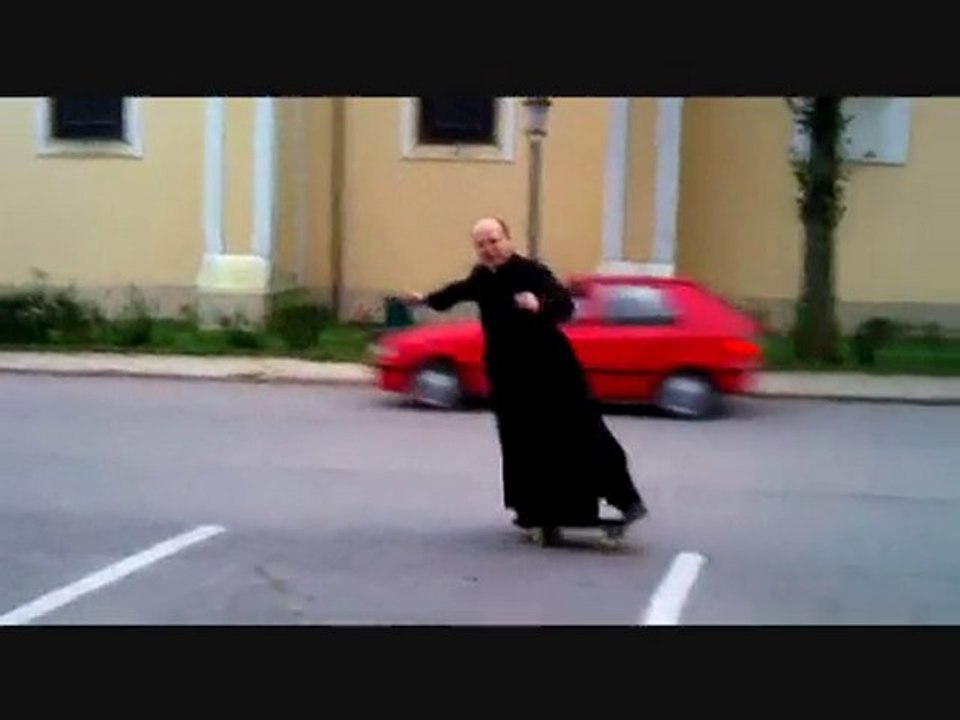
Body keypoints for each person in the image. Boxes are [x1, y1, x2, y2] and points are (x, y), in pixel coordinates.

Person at [406, 217, 647, 530]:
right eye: (481, 244)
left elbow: (564, 305)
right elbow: (455, 292)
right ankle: (534, 510)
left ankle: (626, 499)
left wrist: (539, 304)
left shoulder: (531, 272)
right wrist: (423, 299)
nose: (489, 249)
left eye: (494, 240)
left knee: (581, 432)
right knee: (522, 442)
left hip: (551, 371)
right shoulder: (482, 277)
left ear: (507, 239)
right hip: (509, 375)